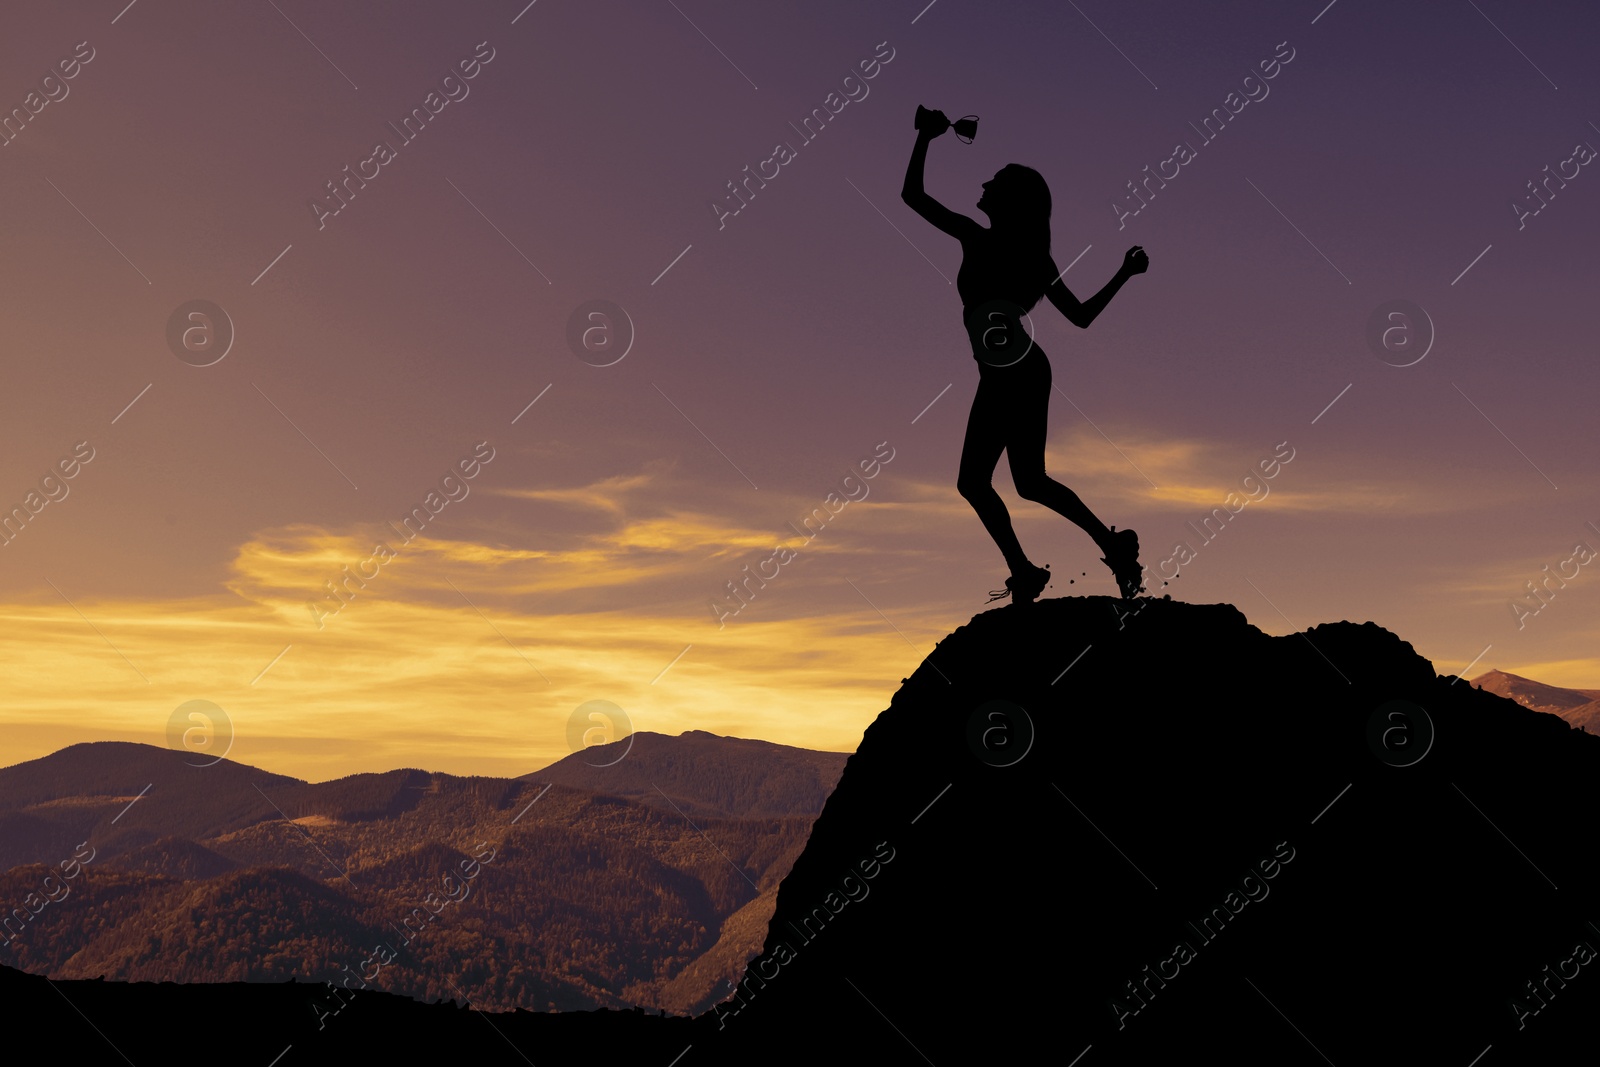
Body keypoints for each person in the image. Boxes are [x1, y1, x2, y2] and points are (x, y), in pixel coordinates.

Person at [901, 106, 1148, 602]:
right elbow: (1079, 317)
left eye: (994, 181)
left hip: (1015, 370)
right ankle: (1090, 551)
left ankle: (1044, 564)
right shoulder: (1016, 250)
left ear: (1010, 200)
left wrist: (926, 138)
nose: (985, 184)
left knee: (989, 481)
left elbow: (913, 196)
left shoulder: (987, 241)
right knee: (1013, 482)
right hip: (1011, 370)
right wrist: (1123, 273)